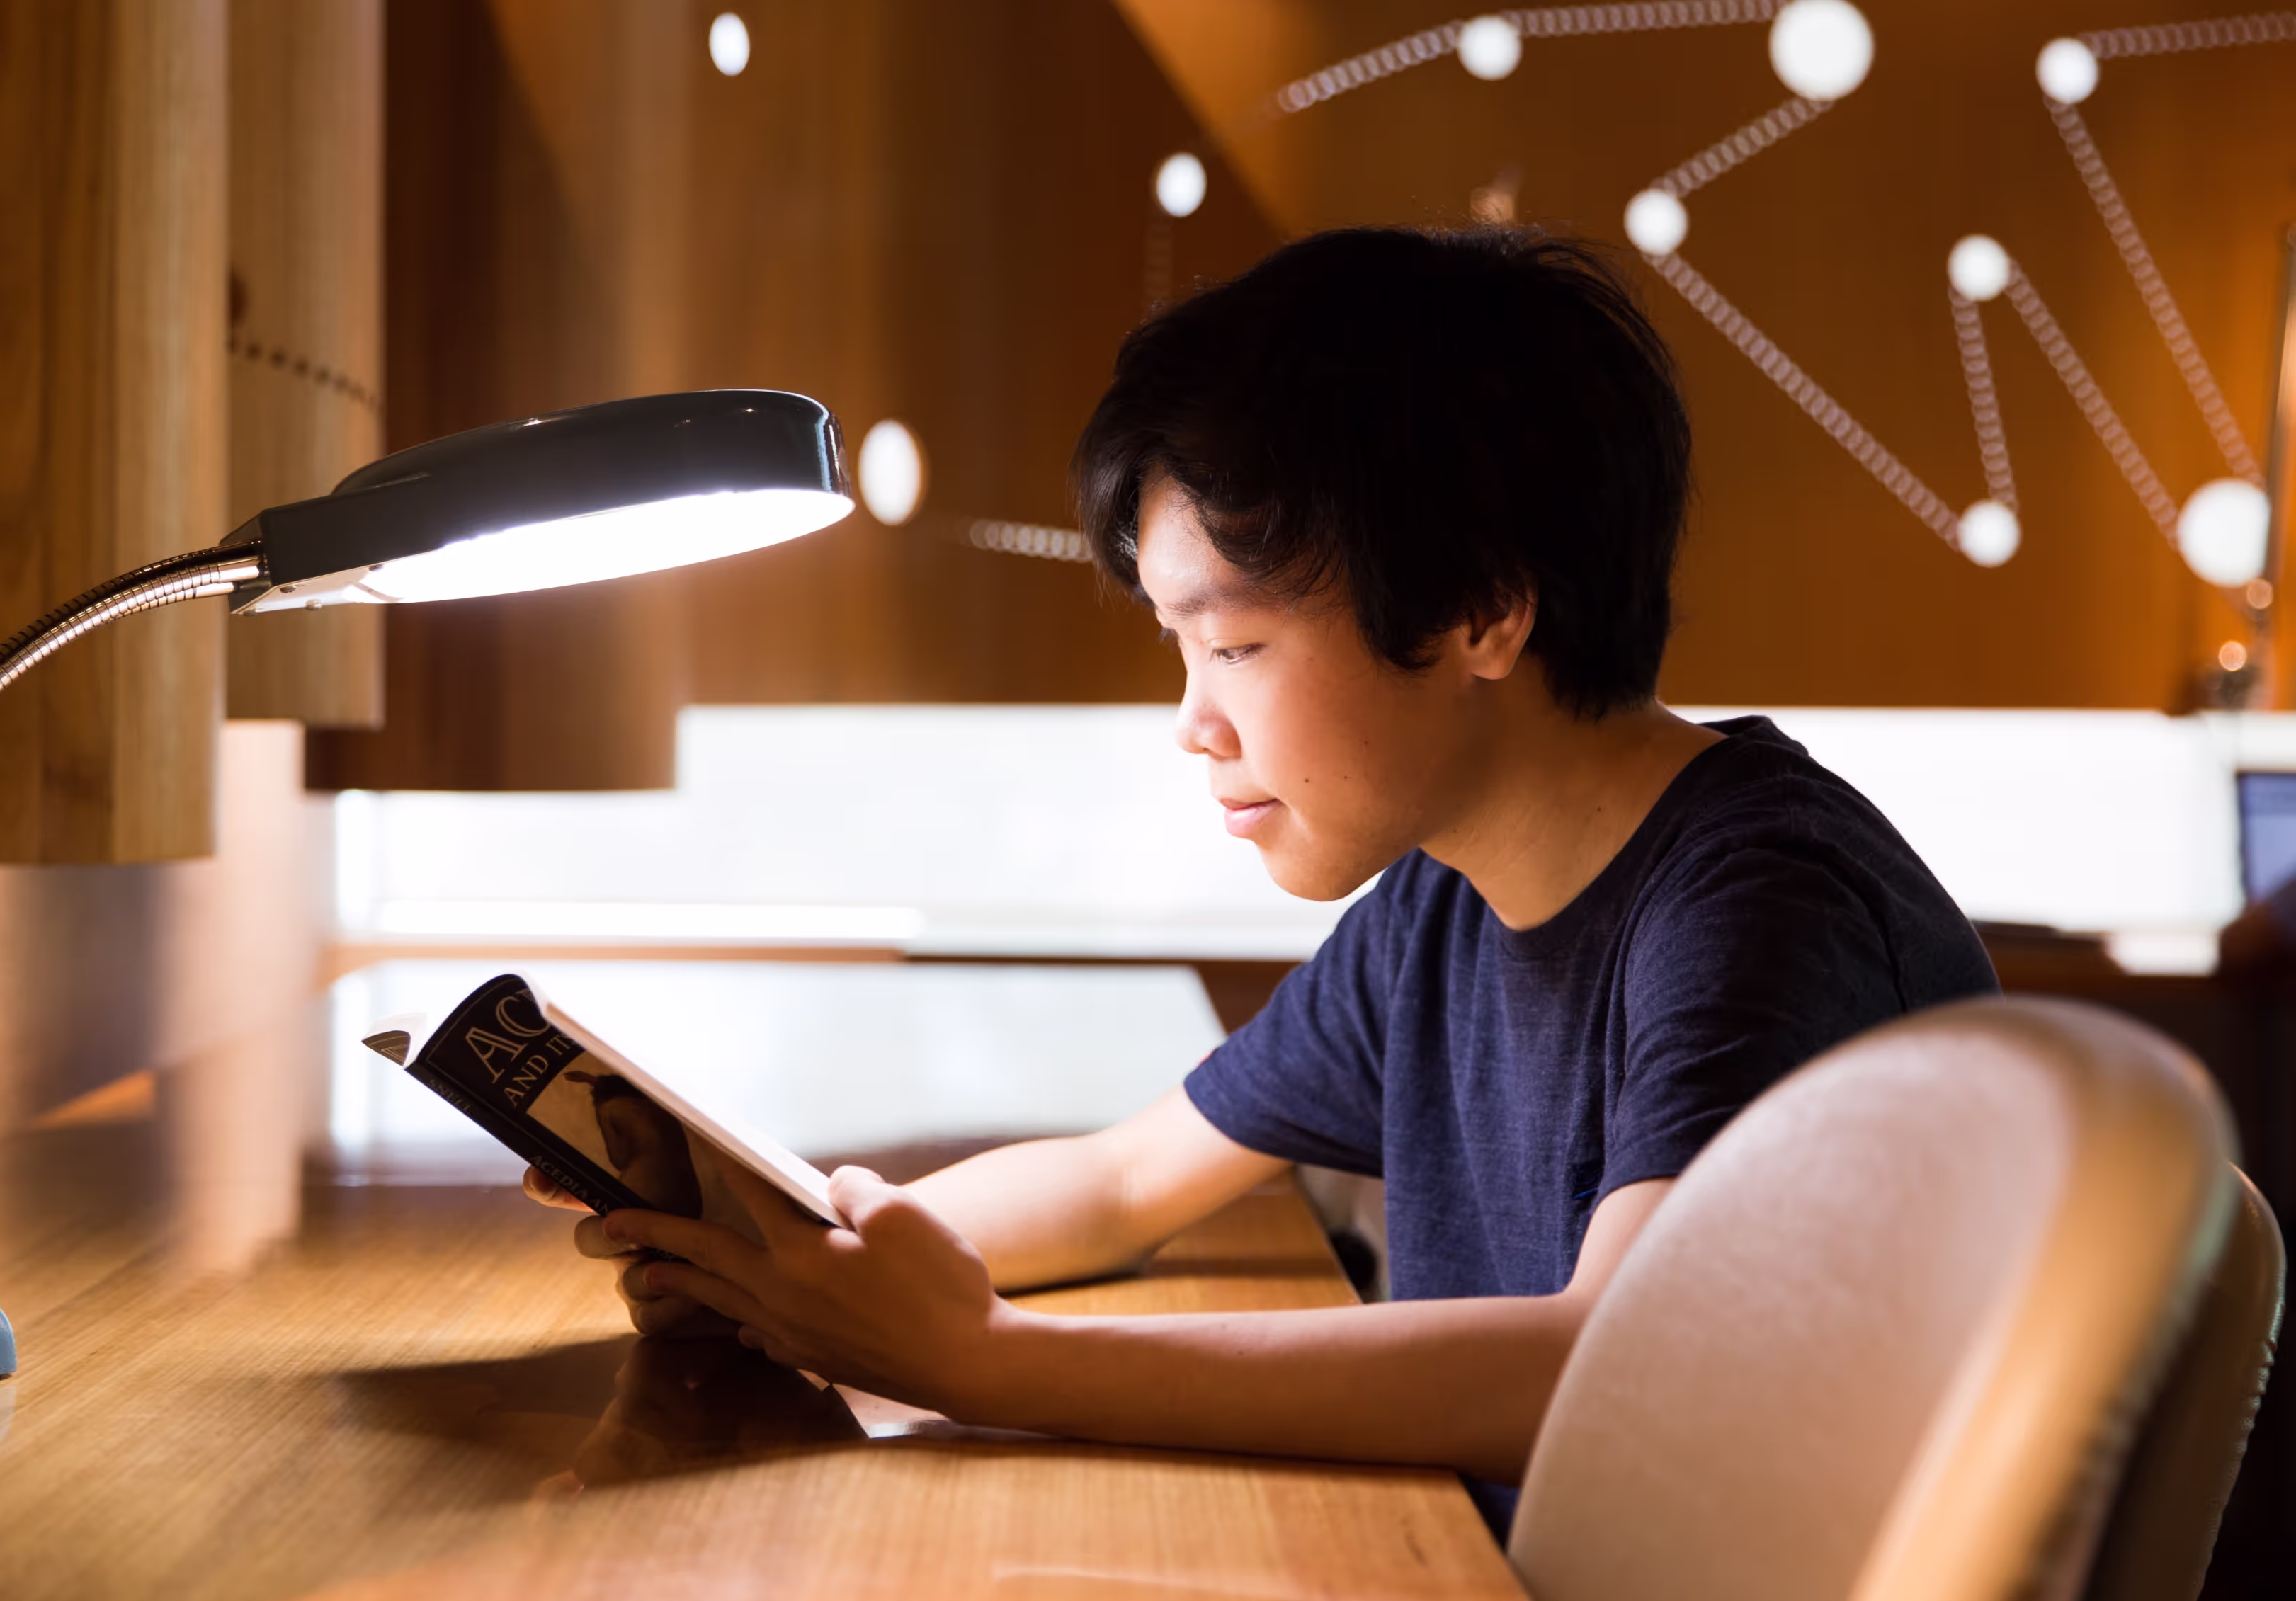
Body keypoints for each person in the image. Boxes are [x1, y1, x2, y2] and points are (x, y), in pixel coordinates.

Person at [528, 225, 2000, 1529]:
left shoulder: (1752, 907)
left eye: (1232, 644)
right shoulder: (1442, 899)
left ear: (1481, 607)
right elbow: (1119, 1183)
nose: (1194, 719)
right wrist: (790, 1255)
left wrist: (986, 1364)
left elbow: (1603, 1367)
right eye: (1179, 648)